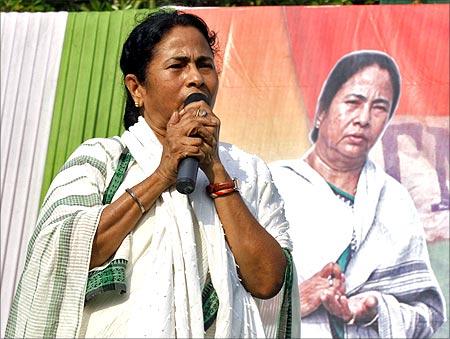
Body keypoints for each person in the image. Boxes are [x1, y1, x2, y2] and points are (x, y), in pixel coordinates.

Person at [6, 10, 300, 338]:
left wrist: (216, 170)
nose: (196, 78)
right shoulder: (102, 160)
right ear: (137, 89)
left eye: (205, 64)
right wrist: (163, 174)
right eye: (178, 65)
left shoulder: (249, 172)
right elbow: (61, 255)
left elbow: (269, 282)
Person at [270, 50, 446, 338]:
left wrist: (376, 310)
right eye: (353, 102)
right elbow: (228, 296)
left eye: (379, 108)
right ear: (322, 112)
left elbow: (428, 314)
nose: (364, 118)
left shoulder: (394, 201)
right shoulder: (271, 186)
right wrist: (296, 300)